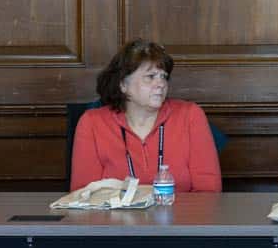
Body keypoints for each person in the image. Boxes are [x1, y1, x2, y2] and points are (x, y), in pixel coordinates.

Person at [70, 39, 221, 192]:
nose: (161, 83)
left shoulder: (190, 115)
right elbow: (83, 195)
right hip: (114, 216)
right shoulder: (92, 122)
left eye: (163, 76)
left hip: (181, 215)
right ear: (123, 84)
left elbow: (208, 192)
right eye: (150, 76)